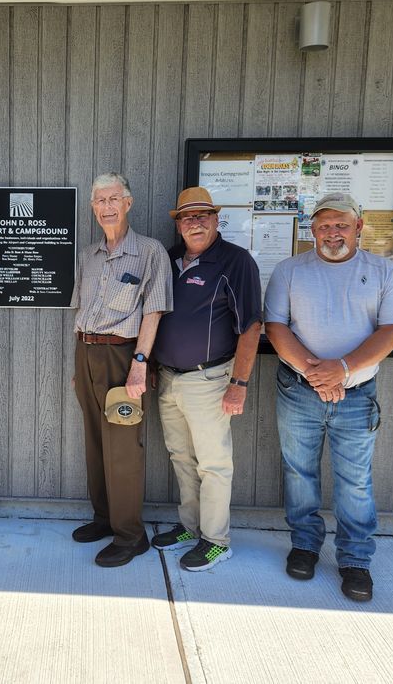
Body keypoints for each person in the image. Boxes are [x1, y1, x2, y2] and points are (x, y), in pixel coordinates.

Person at [264, 192, 393, 602]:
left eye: (341, 224)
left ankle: (355, 559)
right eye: (324, 225)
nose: (332, 233)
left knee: (355, 480)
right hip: (299, 390)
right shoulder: (289, 270)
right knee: (299, 472)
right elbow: (275, 327)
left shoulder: (385, 272)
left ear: (358, 226)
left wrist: (342, 369)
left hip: (357, 394)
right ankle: (305, 545)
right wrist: (317, 373)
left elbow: (391, 332)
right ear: (312, 230)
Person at [151, 187, 261, 571]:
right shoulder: (168, 259)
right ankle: (190, 527)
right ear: (178, 224)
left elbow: (251, 326)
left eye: (202, 216)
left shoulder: (235, 261)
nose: (194, 223)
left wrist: (239, 384)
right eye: (187, 217)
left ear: (216, 220)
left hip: (210, 379)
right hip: (168, 378)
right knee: (181, 457)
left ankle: (215, 541)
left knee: (213, 464)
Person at [70, 172, 173, 568]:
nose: (107, 207)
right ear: (92, 207)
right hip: (87, 353)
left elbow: (154, 311)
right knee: (95, 442)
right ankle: (105, 518)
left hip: (122, 357)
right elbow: (83, 311)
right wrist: (80, 364)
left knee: (123, 449)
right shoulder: (89, 256)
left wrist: (139, 365)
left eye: (114, 199)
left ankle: (130, 535)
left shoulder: (149, 252)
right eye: (100, 201)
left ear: (128, 203)